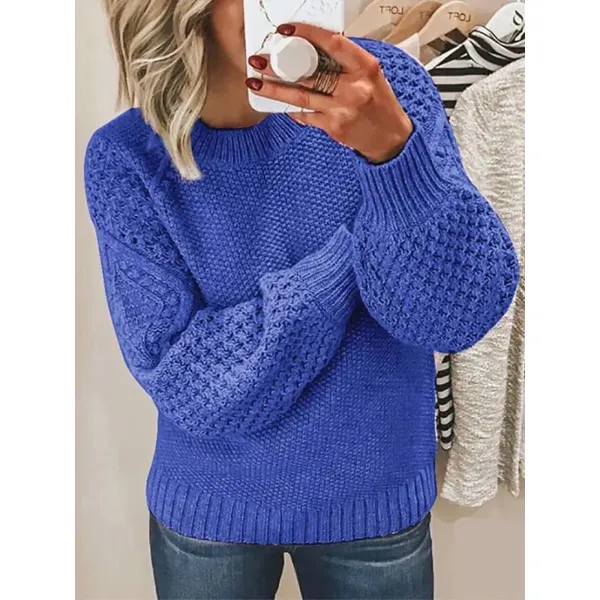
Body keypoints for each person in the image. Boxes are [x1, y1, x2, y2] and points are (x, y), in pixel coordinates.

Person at [83, 1, 520, 598]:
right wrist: (348, 257)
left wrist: (394, 156)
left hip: (374, 502)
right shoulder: (128, 157)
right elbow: (188, 381)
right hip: (211, 509)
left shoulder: (385, 91)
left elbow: (454, 317)